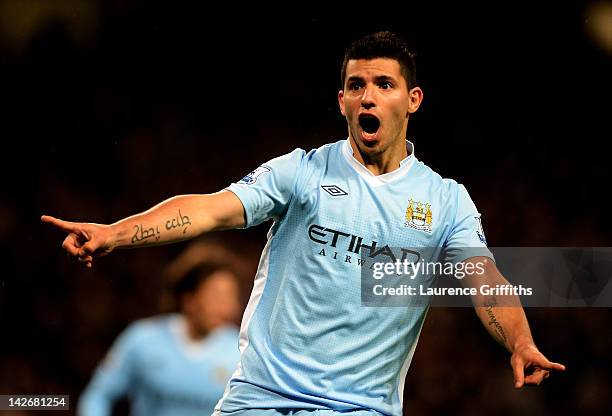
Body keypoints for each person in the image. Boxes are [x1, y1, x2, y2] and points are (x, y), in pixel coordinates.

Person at [43, 31, 565, 416]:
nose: (368, 95)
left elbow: (483, 279)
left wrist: (518, 341)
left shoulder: (446, 201)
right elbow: (209, 208)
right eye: (356, 85)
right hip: (258, 400)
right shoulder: (303, 170)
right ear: (341, 101)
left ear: (412, 100)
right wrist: (116, 232)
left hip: (359, 409)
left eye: (384, 84)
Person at [77, 242, 242, 416]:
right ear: (189, 299)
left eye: (230, 297)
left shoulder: (240, 352)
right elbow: (98, 395)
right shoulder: (142, 339)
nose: (227, 308)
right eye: (216, 296)